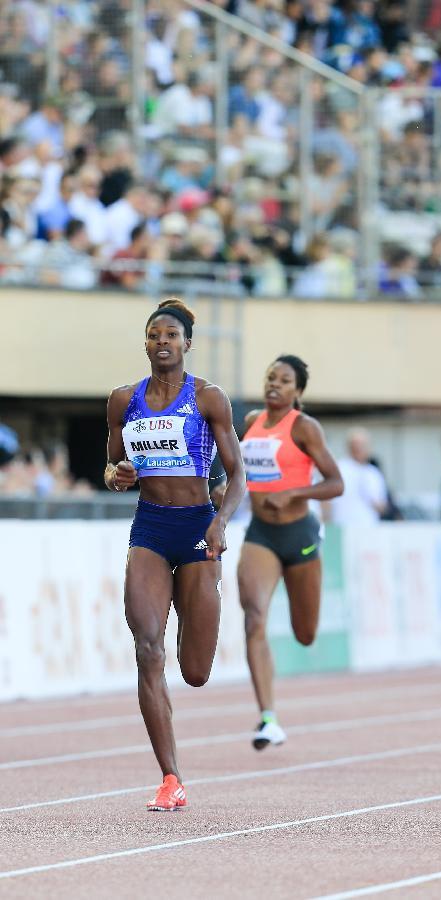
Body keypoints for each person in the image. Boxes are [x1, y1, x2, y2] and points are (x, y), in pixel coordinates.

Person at [104, 297, 245, 811]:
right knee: (146, 648)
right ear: (145, 342)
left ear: (187, 342)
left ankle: (198, 605)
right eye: (153, 335)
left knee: (195, 671)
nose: (161, 343)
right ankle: (170, 777)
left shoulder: (208, 399)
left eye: (170, 335)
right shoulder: (123, 399)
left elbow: (236, 475)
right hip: (150, 530)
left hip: (197, 530)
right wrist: (116, 476)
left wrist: (220, 519)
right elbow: (114, 467)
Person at [237, 355, 343, 749]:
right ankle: (267, 718)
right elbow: (242, 472)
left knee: (305, 633)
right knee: (253, 617)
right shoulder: (249, 423)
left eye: (284, 380)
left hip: (298, 533)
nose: (274, 385)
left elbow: (336, 482)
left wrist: (295, 492)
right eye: (270, 377)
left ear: (297, 391)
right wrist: (229, 490)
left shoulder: (304, 427)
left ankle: (270, 715)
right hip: (260, 533)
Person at [327, 428, 388, 525]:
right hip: (342, 528)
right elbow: (326, 502)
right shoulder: (339, 468)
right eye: (356, 445)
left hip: (369, 528)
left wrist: (372, 499)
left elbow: (382, 506)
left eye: (363, 445)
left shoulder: (373, 473)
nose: (359, 448)